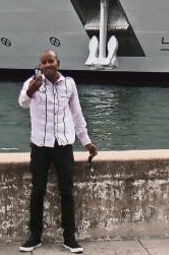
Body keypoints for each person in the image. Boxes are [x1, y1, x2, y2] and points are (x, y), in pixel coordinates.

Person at [18, 50, 99, 253]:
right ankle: (35, 236)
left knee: (67, 192)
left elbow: (76, 114)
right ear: (40, 65)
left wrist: (86, 141)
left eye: (51, 61)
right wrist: (31, 90)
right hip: (40, 146)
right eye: (44, 62)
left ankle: (69, 238)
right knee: (37, 191)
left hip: (63, 145)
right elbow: (22, 103)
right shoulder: (32, 83)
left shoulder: (69, 84)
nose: (47, 65)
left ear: (58, 63)